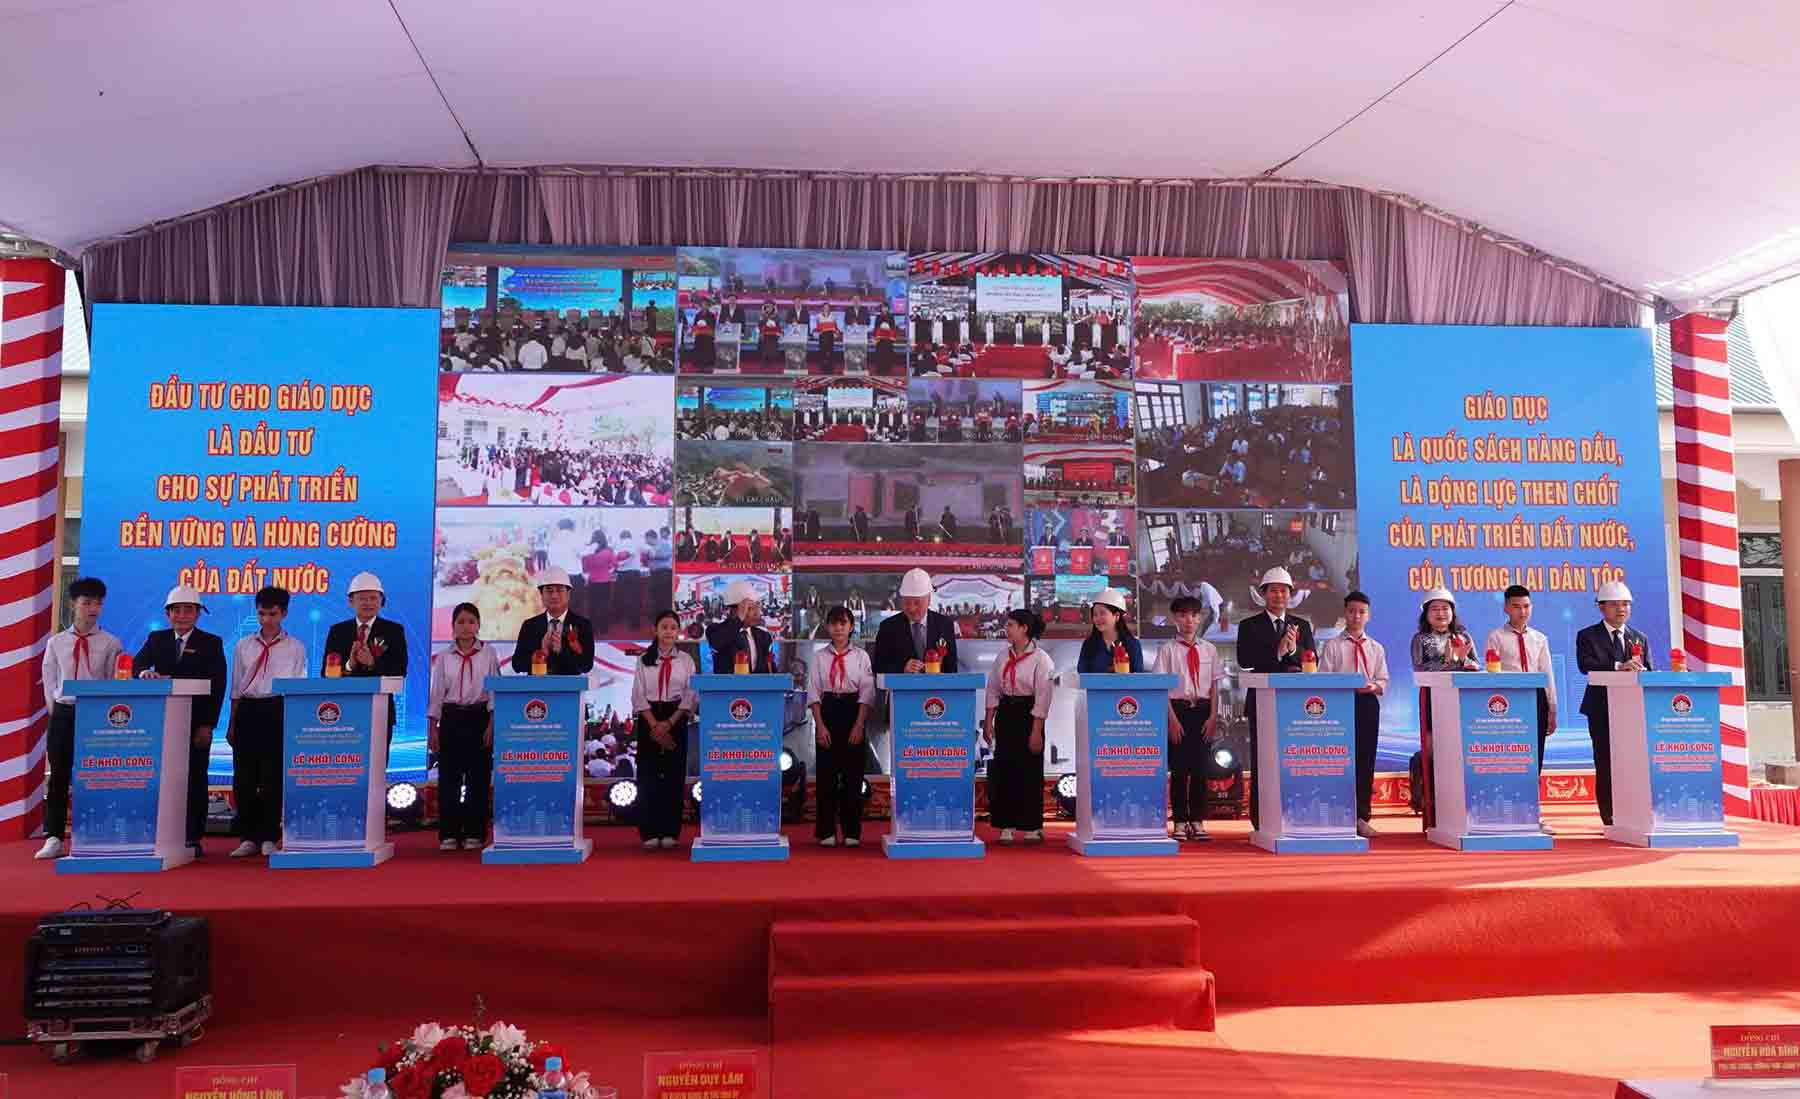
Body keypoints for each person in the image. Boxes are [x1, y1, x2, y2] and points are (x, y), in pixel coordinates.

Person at [134, 584, 228, 857]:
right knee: (162, 779)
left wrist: (207, 725)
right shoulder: (156, 639)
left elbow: (217, 685)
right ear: (168, 614)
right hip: (162, 725)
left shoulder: (211, 643)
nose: (183, 615)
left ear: (198, 614)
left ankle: (192, 836)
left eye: (189, 610)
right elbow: (137, 665)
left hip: (196, 723)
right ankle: (161, 833)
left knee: (195, 779)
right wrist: (144, 675)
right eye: (177, 610)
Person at [36, 577, 124, 860]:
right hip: (64, 713)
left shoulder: (111, 642)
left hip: (96, 716)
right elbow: (49, 682)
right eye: (86, 603)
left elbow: (114, 681)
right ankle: (53, 836)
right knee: (59, 776)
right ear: (73, 604)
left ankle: (95, 834)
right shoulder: (57, 643)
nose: (92, 609)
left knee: (96, 776)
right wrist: (58, 710)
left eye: (97, 603)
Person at [226, 586, 306, 858]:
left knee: (272, 776)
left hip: (277, 708)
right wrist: (232, 723)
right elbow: (236, 688)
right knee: (244, 776)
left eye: (272, 614)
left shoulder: (296, 647)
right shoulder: (243, 645)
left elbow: (297, 688)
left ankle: (270, 836)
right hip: (248, 709)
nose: (266, 620)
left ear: (283, 613)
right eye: (261, 613)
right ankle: (248, 836)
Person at [1234, 567, 1313, 828]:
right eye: (1274, 590)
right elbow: (1245, 661)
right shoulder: (1249, 625)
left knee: (1294, 759)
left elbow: (1312, 661)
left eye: (1284, 590)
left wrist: (1294, 650)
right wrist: (1277, 652)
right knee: (1262, 758)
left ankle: (1296, 814)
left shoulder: (1301, 625)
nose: (1279, 595)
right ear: (1263, 594)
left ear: (1290, 594)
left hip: (1294, 704)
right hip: (1262, 701)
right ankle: (1261, 818)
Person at [1576, 580, 1650, 828]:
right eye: (1616, 605)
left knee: (1633, 761)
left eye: (1626, 604)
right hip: (1601, 708)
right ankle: (1609, 818)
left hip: (1633, 711)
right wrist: (1620, 666)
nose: (1622, 609)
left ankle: (1633, 814)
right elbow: (1585, 665)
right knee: (1606, 761)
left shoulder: (1639, 637)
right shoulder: (1587, 636)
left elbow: (1647, 669)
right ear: (1601, 608)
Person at [1486, 584, 1559, 834]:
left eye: (1526, 606)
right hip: (1510, 702)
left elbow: (1548, 674)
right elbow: (1492, 672)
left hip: (1536, 699)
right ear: (1506, 608)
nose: (1522, 611)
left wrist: (1552, 707)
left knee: (1534, 757)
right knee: (1510, 756)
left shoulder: (1540, 638)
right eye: (1516, 606)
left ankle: (1532, 813)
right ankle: (1505, 812)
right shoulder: (1496, 636)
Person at [428, 602, 499, 851]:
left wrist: (492, 723)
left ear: (478, 625)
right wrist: (432, 727)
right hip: (451, 718)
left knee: (478, 779)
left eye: (471, 621)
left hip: (479, 717)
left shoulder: (489, 653)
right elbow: (437, 693)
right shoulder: (445, 657)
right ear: (453, 627)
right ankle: (448, 833)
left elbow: (493, 691)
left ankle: (474, 833)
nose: (466, 626)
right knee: (449, 778)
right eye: (461, 622)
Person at [1319, 591, 1388, 839]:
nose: (1356, 616)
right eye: (1351, 611)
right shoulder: (1332, 646)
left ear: (1368, 615)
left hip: (1367, 704)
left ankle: (1361, 817)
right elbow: (1324, 679)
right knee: (1339, 761)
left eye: (1361, 612)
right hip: (1340, 706)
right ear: (1345, 613)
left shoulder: (1376, 648)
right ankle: (1337, 814)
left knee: (1365, 760)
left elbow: (1383, 680)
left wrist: (1372, 686)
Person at [982, 609, 1055, 844]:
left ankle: (1032, 825)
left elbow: (1043, 697)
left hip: (1029, 715)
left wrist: (1036, 730)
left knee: (1030, 770)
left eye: (1011, 624)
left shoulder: (1041, 659)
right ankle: (1006, 825)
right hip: (1006, 713)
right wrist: (989, 721)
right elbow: (993, 688)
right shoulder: (1002, 657)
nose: (1007, 628)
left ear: (1024, 628)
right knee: (1005, 768)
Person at [1152, 595, 1220, 842]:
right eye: (1182, 615)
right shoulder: (1167, 650)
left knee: (1201, 769)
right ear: (1174, 619)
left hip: (1203, 712)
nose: (1188, 620)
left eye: (1193, 615)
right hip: (1177, 712)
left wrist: (1213, 716)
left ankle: (1198, 821)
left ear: (1200, 618)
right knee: (1180, 770)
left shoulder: (1209, 649)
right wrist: (1171, 720)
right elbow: (1161, 688)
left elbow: (1214, 686)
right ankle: (1180, 821)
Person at [1410, 587, 1478, 829]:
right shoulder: (1420, 639)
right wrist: (1451, 662)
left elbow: (1476, 666)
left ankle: (1461, 812)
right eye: (1435, 609)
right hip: (1432, 702)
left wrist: (1466, 663)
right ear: (1426, 614)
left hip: (1462, 704)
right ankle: (1434, 813)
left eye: (1445, 608)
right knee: (1433, 755)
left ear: (1453, 612)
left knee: (1460, 755)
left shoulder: (1464, 637)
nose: (1441, 613)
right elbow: (1421, 670)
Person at [808, 606, 875, 848]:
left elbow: (867, 694)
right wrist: (820, 725)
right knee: (826, 776)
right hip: (827, 711)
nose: (838, 628)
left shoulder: (861, 657)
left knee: (852, 776)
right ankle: (825, 830)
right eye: (834, 623)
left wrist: (859, 724)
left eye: (843, 623)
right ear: (827, 627)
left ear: (851, 627)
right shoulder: (819, 657)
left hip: (852, 711)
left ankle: (851, 831)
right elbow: (813, 693)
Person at [632, 611, 697, 849]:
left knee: (673, 775)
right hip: (649, 718)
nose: (669, 631)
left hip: (676, 717)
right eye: (664, 627)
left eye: (673, 627)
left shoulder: (686, 661)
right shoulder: (642, 660)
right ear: (655, 630)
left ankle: (670, 830)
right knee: (648, 775)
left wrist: (669, 723)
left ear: (678, 631)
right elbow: (638, 694)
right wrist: (654, 724)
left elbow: (690, 695)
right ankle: (649, 832)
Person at [322, 572, 408, 745]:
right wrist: (349, 665)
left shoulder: (394, 631)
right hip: (343, 711)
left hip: (380, 712)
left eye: (373, 598)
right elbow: (326, 674)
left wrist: (372, 664)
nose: (368, 603)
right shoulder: (338, 632)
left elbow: (400, 670)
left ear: (381, 602)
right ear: (351, 601)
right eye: (362, 598)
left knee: (377, 765)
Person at [872, 568, 960, 675]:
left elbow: (952, 669)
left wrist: (939, 675)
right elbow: (877, 667)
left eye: (917, 603)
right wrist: (902, 669)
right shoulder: (888, 627)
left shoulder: (944, 625)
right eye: (907, 602)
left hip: (937, 690)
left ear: (929, 599)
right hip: (901, 690)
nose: (912, 608)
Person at [511, 567, 596, 676]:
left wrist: (562, 650)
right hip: (536, 691)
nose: (554, 595)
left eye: (560, 590)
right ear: (541, 594)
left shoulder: (583, 625)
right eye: (549, 591)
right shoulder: (530, 625)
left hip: (569, 690)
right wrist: (541, 653)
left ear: (568, 594)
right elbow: (517, 665)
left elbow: (586, 665)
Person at [706, 579, 776, 673]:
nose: (757, 613)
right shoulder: (715, 630)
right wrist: (739, 618)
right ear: (736, 610)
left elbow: (771, 670)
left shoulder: (764, 636)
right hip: (728, 687)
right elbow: (717, 643)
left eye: (757, 606)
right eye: (750, 608)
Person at [1076, 588, 1143, 673]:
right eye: (1095, 614)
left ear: (1117, 616)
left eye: (1102, 613)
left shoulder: (1132, 644)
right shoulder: (1089, 644)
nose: (1097, 618)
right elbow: (1082, 675)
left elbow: (1138, 678)